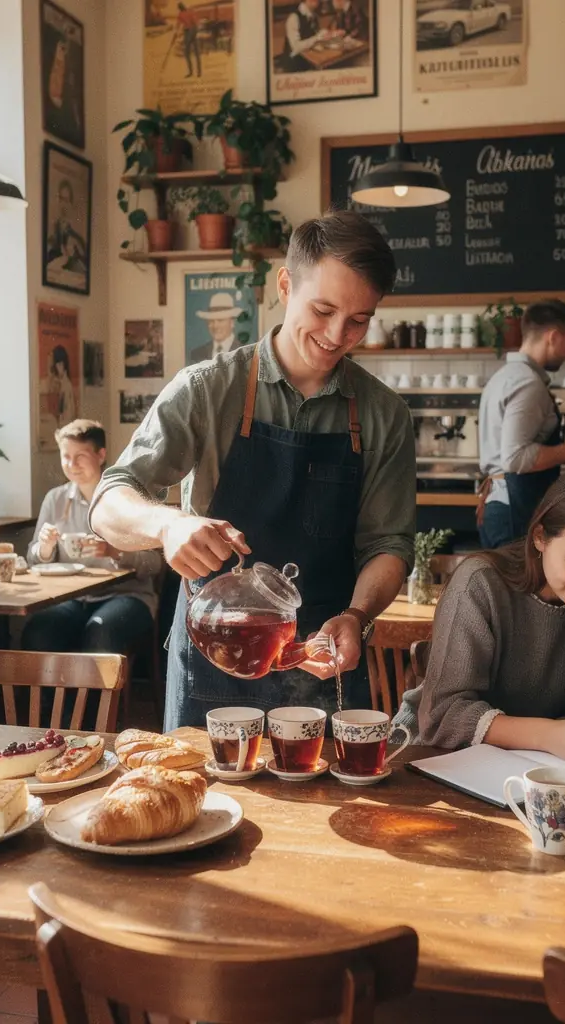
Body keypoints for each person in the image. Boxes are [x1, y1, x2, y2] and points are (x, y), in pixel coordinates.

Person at [90, 210, 416, 729]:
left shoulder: (382, 415)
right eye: (324, 309)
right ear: (285, 285)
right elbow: (109, 499)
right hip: (212, 653)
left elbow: (389, 545)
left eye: (359, 320)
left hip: (322, 654)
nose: (337, 335)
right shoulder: (207, 389)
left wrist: (356, 617)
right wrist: (167, 526)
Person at [396, 469, 565, 761]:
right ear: (540, 537)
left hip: (538, 768)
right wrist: (548, 735)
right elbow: (443, 716)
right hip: (428, 756)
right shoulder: (480, 584)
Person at [477, 300, 565, 549]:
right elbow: (516, 458)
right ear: (553, 337)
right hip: (514, 510)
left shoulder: (505, 376)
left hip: (501, 505)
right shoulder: (527, 383)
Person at [23, 420, 162, 656]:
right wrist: (44, 547)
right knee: (39, 633)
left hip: (127, 596)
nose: (71, 464)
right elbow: (34, 559)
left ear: (101, 455)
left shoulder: (126, 500)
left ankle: (94, 696)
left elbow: (155, 563)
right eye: (65, 456)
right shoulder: (55, 499)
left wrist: (114, 552)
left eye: (80, 456)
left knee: (100, 632)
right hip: (72, 599)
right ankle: (57, 695)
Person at [45, 179, 87, 275]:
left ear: (71, 204)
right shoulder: (50, 240)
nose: (63, 205)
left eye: (67, 200)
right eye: (61, 199)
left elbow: (84, 270)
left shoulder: (77, 240)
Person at [189, 292, 245, 363]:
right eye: (211, 321)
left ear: (232, 322)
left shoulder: (244, 352)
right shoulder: (197, 354)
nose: (215, 326)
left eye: (220, 320)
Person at [278, 0, 326, 73]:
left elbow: (314, 35)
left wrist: (324, 36)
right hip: (294, 65)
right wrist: (317, 38)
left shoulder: (314, 15)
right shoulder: (293, 18)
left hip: (309, 60)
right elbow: (296, 47)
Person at [176, 2, 202, 79]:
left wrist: (176, 32)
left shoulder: (182, 14)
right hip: (191, 31)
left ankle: (193, 72)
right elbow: (178, 24)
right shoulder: (188, 12)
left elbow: (178, 24)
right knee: (195, 53)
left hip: (189, 32)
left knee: (188, 53)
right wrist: (196, 31)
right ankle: (197, 72)